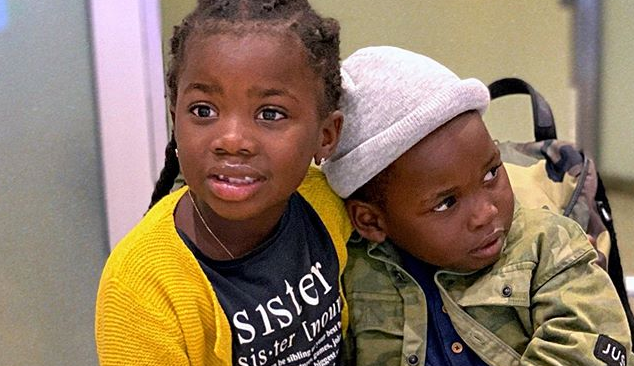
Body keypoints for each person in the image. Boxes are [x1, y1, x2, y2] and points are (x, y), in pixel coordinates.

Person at [323, 46, 633, 366]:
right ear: (371, 222)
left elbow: (584, 349)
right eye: (446, 203)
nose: (487, 213)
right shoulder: (350, 269)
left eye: (491, 173)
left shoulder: (550, 247)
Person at [95, 1, 353, 365]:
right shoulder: (141, 284)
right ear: (175, 122)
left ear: (326, 136)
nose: (231, 140)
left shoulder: (326, 202)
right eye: (204, 110)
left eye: (270, 113)